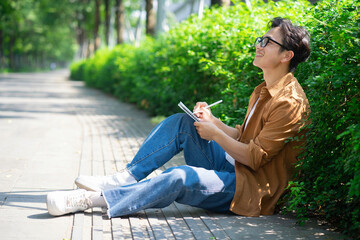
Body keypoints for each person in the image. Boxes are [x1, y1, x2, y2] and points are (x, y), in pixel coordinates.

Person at [47, 17, 311, 218]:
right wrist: (214, 122)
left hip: (252, 189)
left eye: (267, 42)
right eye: (260, 40)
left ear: (287, 55)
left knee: (179, 177)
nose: (259, 46)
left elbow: (255, 158)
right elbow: (244, 136)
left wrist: (215, 134)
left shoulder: (289, 102)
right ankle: (124, 179)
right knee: (184, 123)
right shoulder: (263, 89)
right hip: (234, 168)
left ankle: (95, 199)